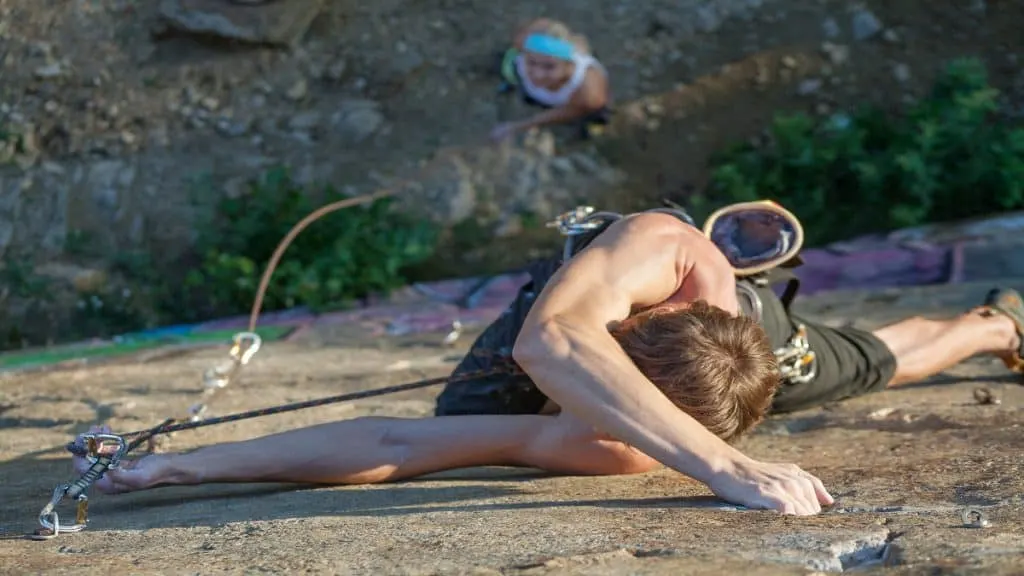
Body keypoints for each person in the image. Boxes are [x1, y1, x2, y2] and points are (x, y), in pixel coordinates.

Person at [70, 204, 1024, 518]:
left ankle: (996, 325)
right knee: (879, 358)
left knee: (882, 359)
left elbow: (402, 443)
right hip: (703, 337)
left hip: (760, 348)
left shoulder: (620, 447)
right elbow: (551, 346)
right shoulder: (664, 252)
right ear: (632, 336)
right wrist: (731, 469)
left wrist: (177, 465)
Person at [491, 18, 611, 141]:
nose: (537, 75)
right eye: (531, 62)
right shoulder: (523, 41)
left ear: (568, 64)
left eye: (549, 66)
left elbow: (560, 115)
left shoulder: (588, 91)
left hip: (572, 105)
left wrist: (516, 127)